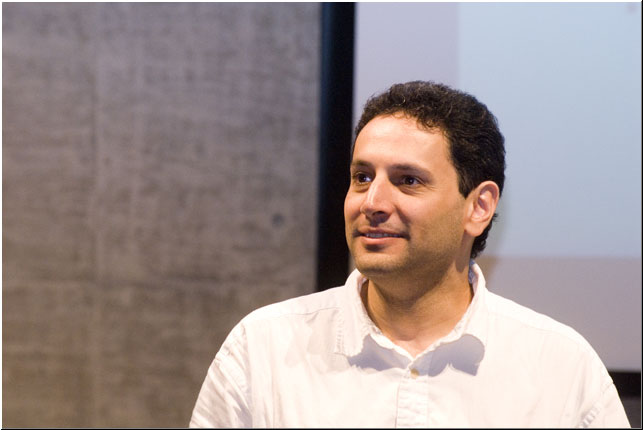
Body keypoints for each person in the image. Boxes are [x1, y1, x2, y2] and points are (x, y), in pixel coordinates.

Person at [190, 81, 630, 427]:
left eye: (408, 181)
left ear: (478, 207)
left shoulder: (561, 369)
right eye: (362, 177)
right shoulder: (262, 349)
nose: (372, 202)